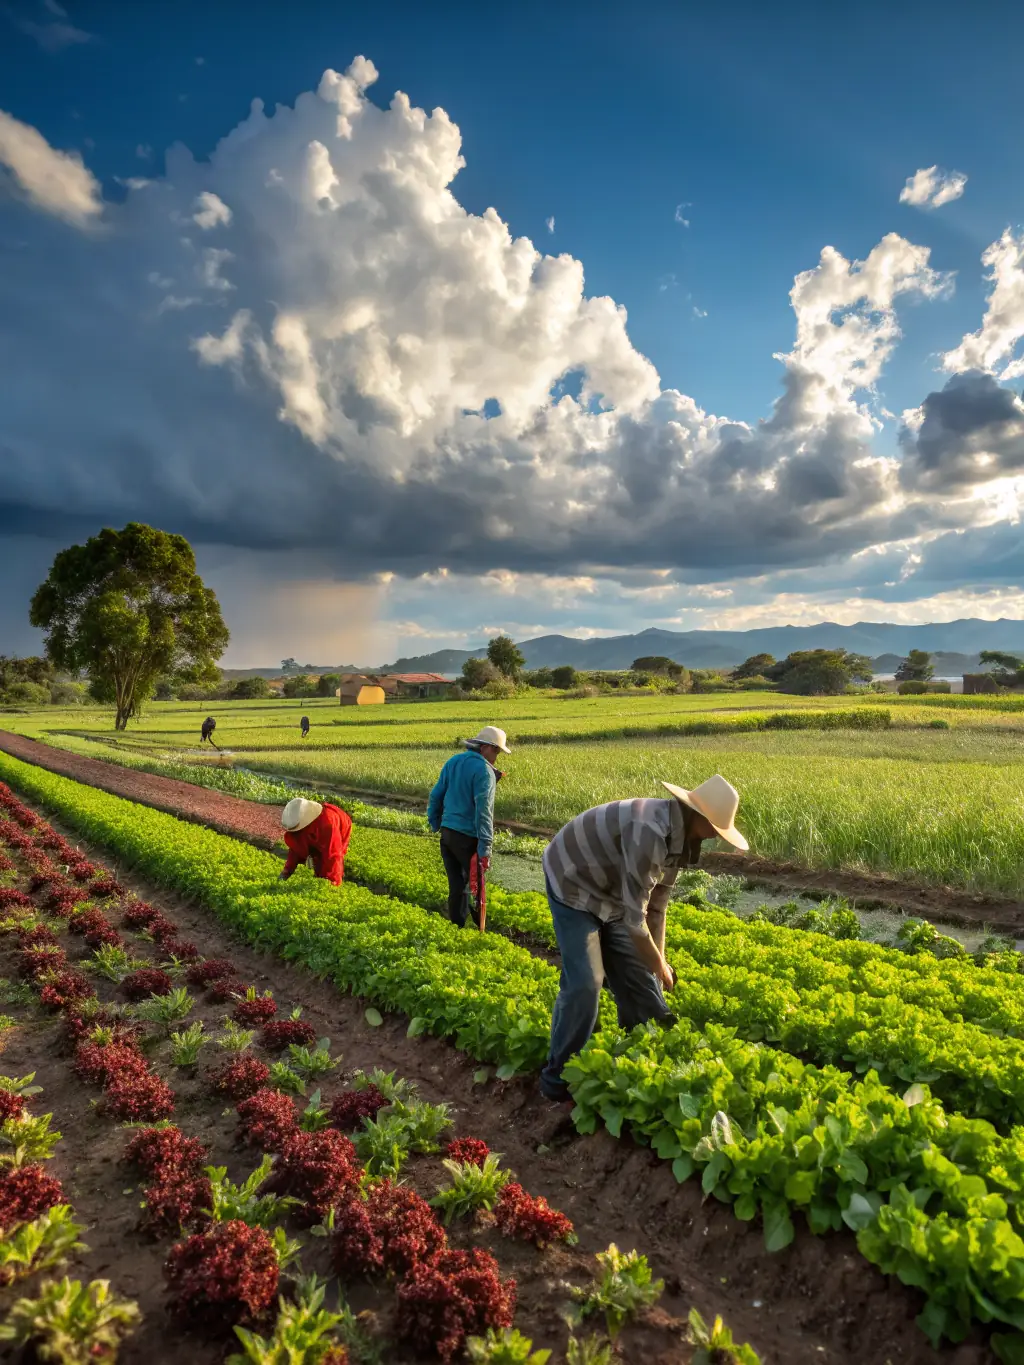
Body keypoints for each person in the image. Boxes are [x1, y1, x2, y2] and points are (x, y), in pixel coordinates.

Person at [538, 774, 748, 1105]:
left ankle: (638, 1056)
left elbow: (656, 908)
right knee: (586, 984)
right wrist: (661, 968)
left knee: (641, 980)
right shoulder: (651, 832)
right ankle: (557, 1078)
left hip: (613, 895)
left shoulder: (680, 840)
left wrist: (658, 966)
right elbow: (636, 922)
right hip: (574, 882)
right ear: (701, 818)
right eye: (716, 829)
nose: (716, 837)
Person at [427, 726, 511, 927]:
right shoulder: (484, 772)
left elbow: (435, 795)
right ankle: (480, 928)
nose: (497, 757)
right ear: (484, 748)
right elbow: (484, 813)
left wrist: (436, 823)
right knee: (477, 885)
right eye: (496, 751)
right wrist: (485, 849)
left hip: (447, 834)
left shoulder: (454, 762)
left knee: (457, 884)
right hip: (467, 837)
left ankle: (457, 927)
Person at [278, 797, 353, 886]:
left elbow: (333, 855)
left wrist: (332, 882)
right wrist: (287, 871)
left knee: (326, 861)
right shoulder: (299, 827)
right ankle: (320, 878)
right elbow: (295, 849)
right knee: (316, 858)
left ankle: (332, 881)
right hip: (317, 827)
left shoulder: (327, 824)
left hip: (341, 826)